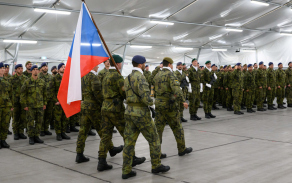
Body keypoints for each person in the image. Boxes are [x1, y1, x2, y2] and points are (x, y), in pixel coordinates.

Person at [122, 55, 170, 179]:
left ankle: (126, 170)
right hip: (141, 113)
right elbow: (146, 98)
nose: (144, 65)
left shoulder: (127, 78)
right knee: (154, 139)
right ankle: (156, 165)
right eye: (144, 63)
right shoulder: (141, 78)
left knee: (129, 142)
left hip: (129, 112)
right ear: (140, 64)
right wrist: (151, 103)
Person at [97, 55, 145, 171]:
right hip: (116, 109)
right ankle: (131, 158)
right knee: (127, 135)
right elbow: (124, 93)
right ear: (118, 64)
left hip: (105, 108)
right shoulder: (117, 77)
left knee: (105, 136)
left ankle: (101, 161)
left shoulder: (105, 75)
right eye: (121, 63)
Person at [76, 64, 123, 163]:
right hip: (93, 108)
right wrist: (103, 103)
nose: (97, 67)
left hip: (84, 106)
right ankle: (110, 149)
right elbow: (97, 93)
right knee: (103, 131)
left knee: (83, 131)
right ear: (92, 66)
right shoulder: (94, 78)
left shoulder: (83, 77)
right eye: (96, 66)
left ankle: (79, 154)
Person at [153, 57, 193, 159]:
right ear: (170, 64)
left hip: (158, 105)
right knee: (177, 128)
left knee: (158, 130)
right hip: (170, 106)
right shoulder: (171, 75)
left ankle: (157, 152)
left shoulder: (157, 74)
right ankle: (182, 149)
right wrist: (183, 100)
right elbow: (176, 90)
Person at [20, 65, 47, 145]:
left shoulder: (42, 82)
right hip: (30, 106)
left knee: (39, 122)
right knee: (30, 123)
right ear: (31, 71)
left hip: (40, 105)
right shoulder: (27, 82)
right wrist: (24, 105)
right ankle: (31, 137)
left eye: (37, 69)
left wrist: (44, 103)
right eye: (34, 69)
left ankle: (36, 136)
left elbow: (45, 93)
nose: (35, 71)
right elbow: (23, 94)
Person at [50, 63, 70, 141]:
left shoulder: (67, 78)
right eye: (62, 67)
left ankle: (63, 132)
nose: (64, 68)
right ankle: (58, 134)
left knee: (65, 118)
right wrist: (55, 101)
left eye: (64, 67)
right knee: (58, 119)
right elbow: (51, 91)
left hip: (65, 102)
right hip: (58, 102)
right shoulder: (54, 78)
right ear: (58, 69)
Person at [97, 59, 117, 135]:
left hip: (112, 95)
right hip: (105, 96)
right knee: (105, 114)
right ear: (104, 63)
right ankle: (105, 128)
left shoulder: (113, 71)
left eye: (109, 61)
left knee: (112, 113)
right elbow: (99, 85)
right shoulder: (101, 72)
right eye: (106, 62)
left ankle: (112, 127)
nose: (108, 63)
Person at [10, 64, 28, 140]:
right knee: (16, 118)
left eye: (21, 68)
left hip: (23, 101)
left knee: (23, 117)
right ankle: (16, 133)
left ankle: (21, 132)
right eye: (19, 68)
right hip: (15, 102)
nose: (21, 70)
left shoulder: (26, 78)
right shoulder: (12, 79)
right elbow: (10, 91)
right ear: (16, 70)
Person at [38, 63, 53, 136]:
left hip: (49, 98)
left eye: (46, 66)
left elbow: (53, 88)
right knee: (41, 115)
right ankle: (41, 130)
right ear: (41, 68)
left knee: (48, 115)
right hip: (41, 99)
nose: (45, 68)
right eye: (43, 66)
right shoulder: (38, 76)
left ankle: (46, 129)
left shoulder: (50, 77)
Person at [0, 63, 13, 148]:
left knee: (5, 124)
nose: (3, 69)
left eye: (3, 68)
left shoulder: (6, 80)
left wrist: (12, 104)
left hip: (6, 105)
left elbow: (11, 93)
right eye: (1, 68)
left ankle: (3, 140)